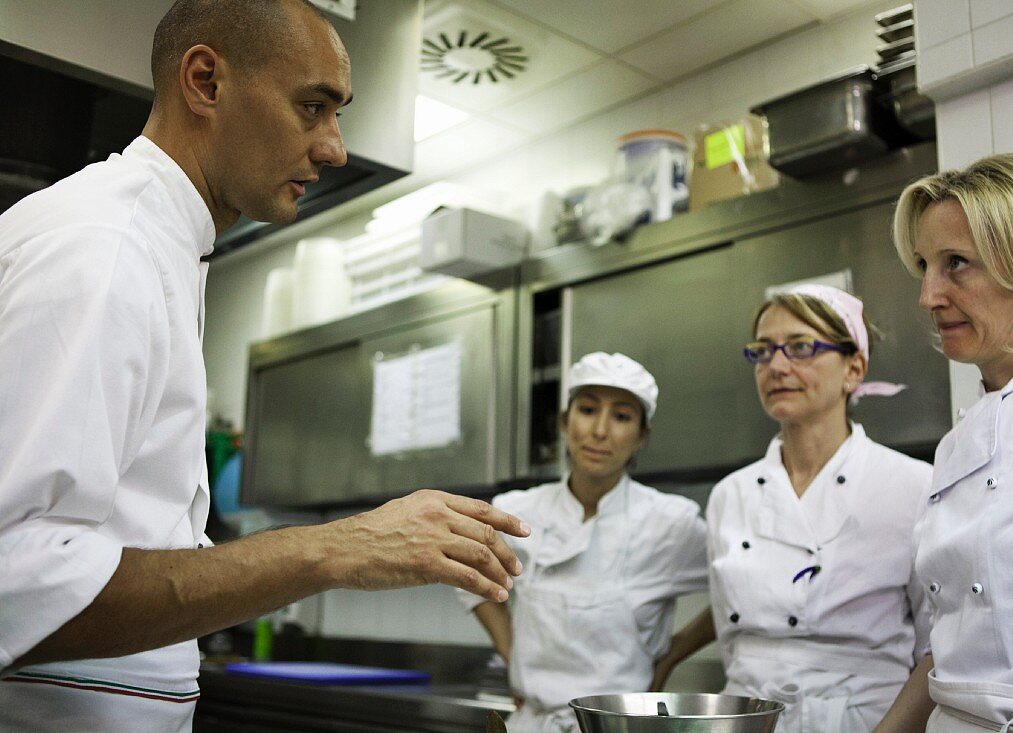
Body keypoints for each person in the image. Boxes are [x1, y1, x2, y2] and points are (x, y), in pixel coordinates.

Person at [0, 1, 527, 730]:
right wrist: (336, 547)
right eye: (312, 106)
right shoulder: (106, 249)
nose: (334, 147)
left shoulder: (160, 248)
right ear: (206, 83)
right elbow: (17, 577)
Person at [875, 153, 1013, 733]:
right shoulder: (956, 442)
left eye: (956, 264)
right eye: (924, 265)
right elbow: (951, 647)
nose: (928, 296)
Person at [651, 284, 933, 733]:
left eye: (800, 347)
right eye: (763, 351)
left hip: (867, 722)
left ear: (853, 369)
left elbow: (936, 649)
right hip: (747, 720)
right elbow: (732, 640)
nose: (776, 366)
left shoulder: (914, 485)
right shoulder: (731, 495)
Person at [458, 352, 709, 733]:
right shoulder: (516, 511)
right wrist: (513, 655)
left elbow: (740, 592)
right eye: (588, 409)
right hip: (532, 723)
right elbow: (466, 575)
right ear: (565, 421)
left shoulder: (671, 523)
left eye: (622, 416)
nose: (600, 431)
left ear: (642, 435)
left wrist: (671, 655)